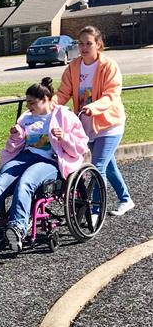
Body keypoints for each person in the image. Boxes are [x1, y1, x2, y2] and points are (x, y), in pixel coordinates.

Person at [0, 77, 88, 252]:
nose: (28, 107)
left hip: (50, 161)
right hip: (25, 157)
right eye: (27, 103)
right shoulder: (26, 119)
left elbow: (80, 147)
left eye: (32, 103)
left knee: (25, 183)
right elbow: (13, 147)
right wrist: (16, 135)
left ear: (46, 100)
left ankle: (18, 226)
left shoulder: (65, 116)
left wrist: (64, 137)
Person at [53, 25, 134, 216]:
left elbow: (112, 95)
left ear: (98, 44)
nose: (83, 47)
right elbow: (63, 93)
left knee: (98, 167)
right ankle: (126, 199)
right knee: (108, 165)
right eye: (80, 43)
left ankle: (96, 209)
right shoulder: (73, 66)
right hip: (86, 127)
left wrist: (93, 107)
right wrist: (47, 108)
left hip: (109, 125)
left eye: (88, 43)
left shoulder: (108, 66)